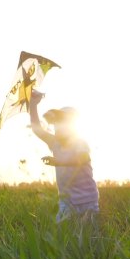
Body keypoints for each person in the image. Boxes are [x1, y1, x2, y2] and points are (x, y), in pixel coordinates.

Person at [29, 90, 99, 223]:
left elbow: (82, 159)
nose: (58, 127)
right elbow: (36, 129)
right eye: (56, 124)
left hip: (87, 200)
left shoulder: (79, 142)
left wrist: (58, 161)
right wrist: (33, 104)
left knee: (88, 232)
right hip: (66, 201)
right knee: (62, 231)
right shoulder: (55, 143)